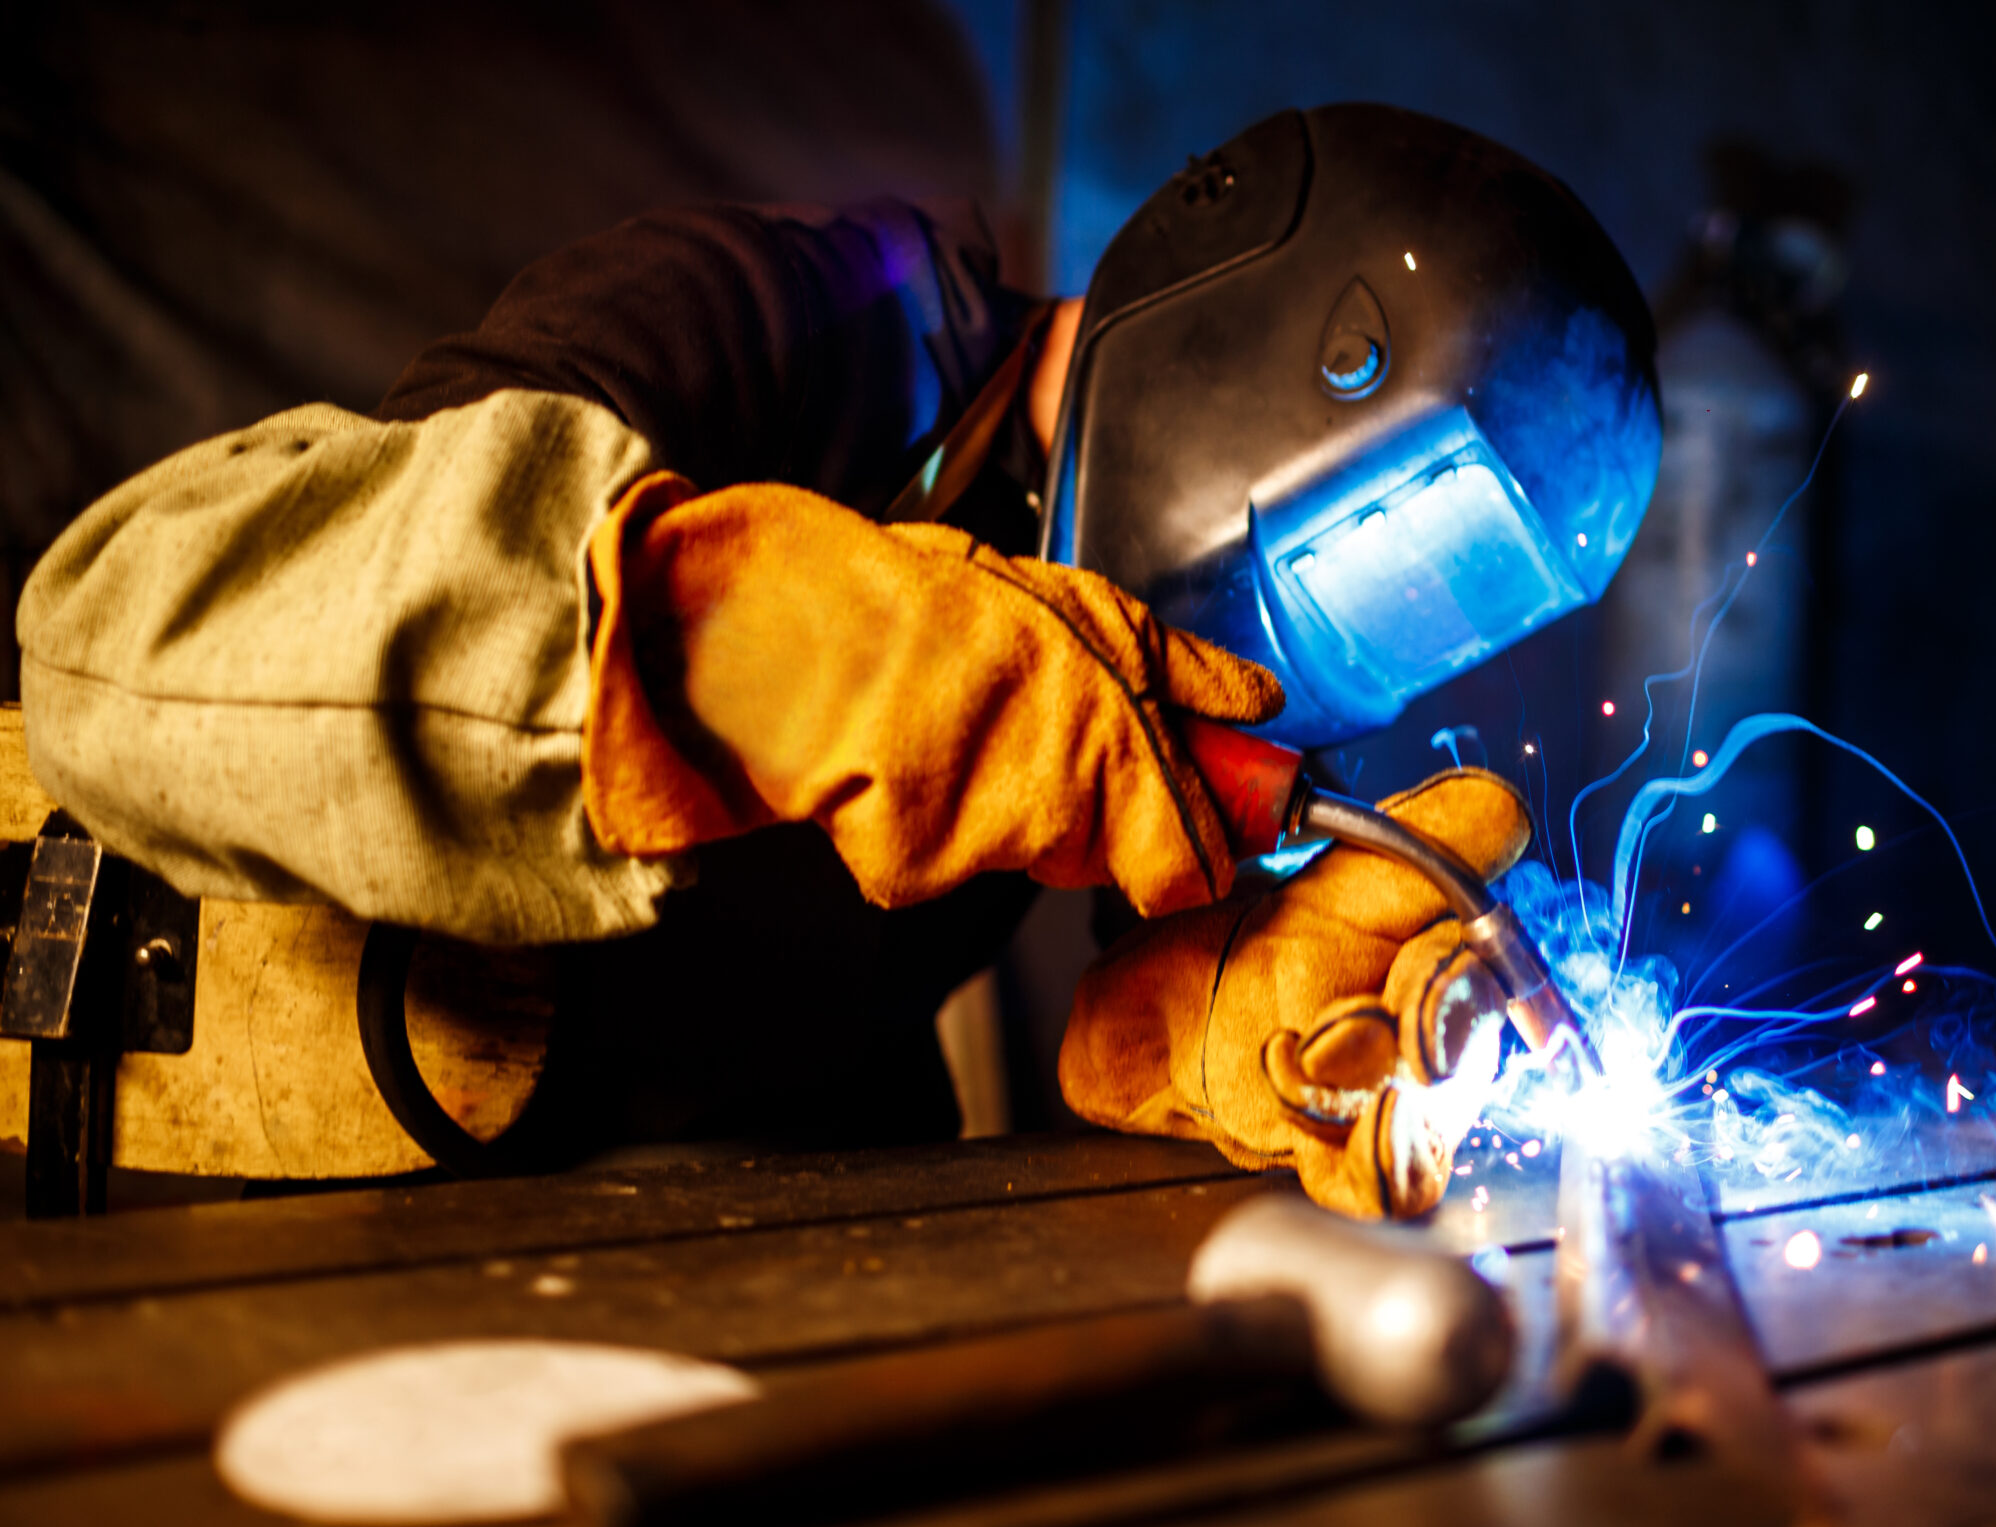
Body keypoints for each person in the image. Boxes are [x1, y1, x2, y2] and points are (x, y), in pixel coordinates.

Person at [12, 104, 1660, 1217]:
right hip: (153, 1201)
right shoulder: (795, 318)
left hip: (599, 1259)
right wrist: (768, 658)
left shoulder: (1145, 672)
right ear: (1290, 360)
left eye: (1454, 607)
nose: (1361, 637)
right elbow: (127, 644)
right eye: (1398, 546)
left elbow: (1075, 1018)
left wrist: (1235, 1017)